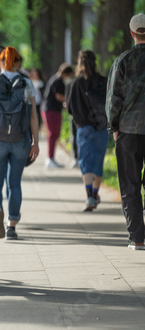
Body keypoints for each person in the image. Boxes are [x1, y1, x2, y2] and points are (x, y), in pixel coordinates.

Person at [0, 47, 40, 240]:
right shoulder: (26, 83)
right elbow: (33, 117)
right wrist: (35, 142)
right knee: (14, 184)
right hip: (20, 140)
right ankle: (11, 226)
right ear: (18, 62)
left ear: (0, 62)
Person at [106, 13, 145, 250]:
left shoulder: (123, 60)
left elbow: (114, 98)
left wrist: (114, 127)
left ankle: (137, 238)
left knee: (130, 184)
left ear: (132, 34)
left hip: (129, 130)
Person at [65, 50, 108, 212]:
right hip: (101, 127)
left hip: (83, 128)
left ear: (79, 63)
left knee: (85, 162)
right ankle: (96, 194)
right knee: (98, 161)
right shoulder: (103, 81)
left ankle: (90, 196)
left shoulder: (75, 84)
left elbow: (69, 108)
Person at [40, 63, 74, 168]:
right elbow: (59, 96)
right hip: (51, 110)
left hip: (52, 110)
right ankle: (49, 158)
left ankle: (51, 158)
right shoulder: (58, 81)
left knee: (54, 134)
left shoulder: (55, 79)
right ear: (66, 73)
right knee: (52, 134)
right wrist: (69, 102)